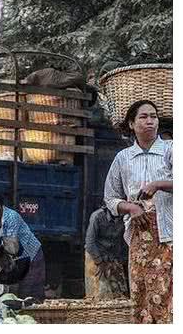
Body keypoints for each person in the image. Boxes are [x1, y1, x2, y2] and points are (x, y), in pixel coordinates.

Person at [104, 100, 172, 324]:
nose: (150, 121)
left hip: (170, 233)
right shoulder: (123, 158)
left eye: (153, 116)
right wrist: (131, 207)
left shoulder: (171, 150)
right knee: (141, 293)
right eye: (143, 117)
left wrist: (160, 184)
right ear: (131, 124)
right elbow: (110, 198)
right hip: (139, 235)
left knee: (169, 294)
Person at [0, 193, 45, 302]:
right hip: (15, 256)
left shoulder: (12, 217)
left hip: (30, 254)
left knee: (29, 290)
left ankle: (36, 313)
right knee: (14, 291)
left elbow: (11, 246)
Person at [84, 204, 129, 300]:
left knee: (120, 294)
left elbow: (123, 242)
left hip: (113, 256)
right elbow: (90, 243)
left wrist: (121, 261)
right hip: (96, 254)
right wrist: (99, 262)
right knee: (99, 294)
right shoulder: (97, 216)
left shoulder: (125, 218)